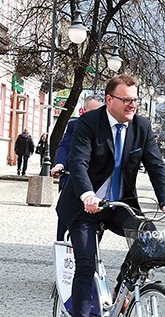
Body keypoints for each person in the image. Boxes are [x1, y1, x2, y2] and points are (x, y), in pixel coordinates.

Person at [55, 74, 165, 317]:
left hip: (119, 204)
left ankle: (123, 288)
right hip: (85, 205)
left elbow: (157, 167)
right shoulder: (89, 123)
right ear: (110, 100)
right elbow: (79, 160)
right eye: (126, 100)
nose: (132, 105)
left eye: (135, 100)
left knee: (146, 238)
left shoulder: (141, 127)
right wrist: (86, 193)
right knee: (85, 265)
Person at [51, 95, 103, 241]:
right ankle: (62, 245)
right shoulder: (74, 125)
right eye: (91, 111)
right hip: (72, 178)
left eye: (99, 111)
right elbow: (65, 146)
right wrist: (59, 164)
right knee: (65, 213)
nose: (95, 115)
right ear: (83, 110)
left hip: (94, 181)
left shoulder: (106, 129)